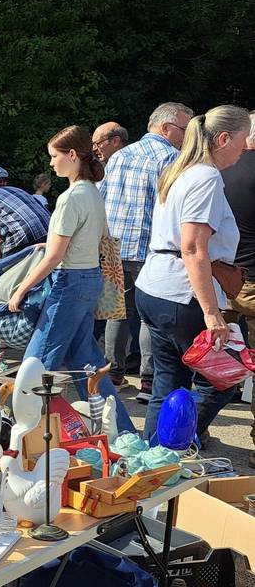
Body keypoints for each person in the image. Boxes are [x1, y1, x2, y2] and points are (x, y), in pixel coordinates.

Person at [136, 105, 251, 446]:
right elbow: (192, 247)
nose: (245, 148)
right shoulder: (206, 177)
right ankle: (172, 443)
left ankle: (153, 459)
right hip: (181, 294)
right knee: (223, 379)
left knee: (167, 384)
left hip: (156, 287)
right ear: (224, 139)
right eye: (243, 139)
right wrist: (212, 313)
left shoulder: (181, 171)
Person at [9, 125, 135, 434]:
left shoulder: (70, 198)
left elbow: (55, 257)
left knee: (36, 363)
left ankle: (20, 432)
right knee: (87, 362)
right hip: (88, 279)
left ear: (73, 155)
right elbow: (89, 239)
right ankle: (122, 432)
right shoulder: (92, 192)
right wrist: (51, 244)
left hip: (69, 282)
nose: (51, 163)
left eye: (55, 156)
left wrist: (21, 289)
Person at [101, 102, 193, 399]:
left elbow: (102, 197)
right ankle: (149, 381)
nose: (187, 135)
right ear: (166, 128)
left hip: (113, 246)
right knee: (148, 319)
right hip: (147, 246)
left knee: (116, 312)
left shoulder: (119, 156)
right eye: (185, 129)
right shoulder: (172, 158)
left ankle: (112, 374)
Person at [223, 112, 255, 460]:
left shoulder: (218, 170)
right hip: (253, 280)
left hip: (219, 276)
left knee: (210, 356)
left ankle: (194, 428)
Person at [0, 182, 51, 258]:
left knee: (10, 265)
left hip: (23, 233)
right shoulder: (11, 189)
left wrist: (0, 259)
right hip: (48, 227)